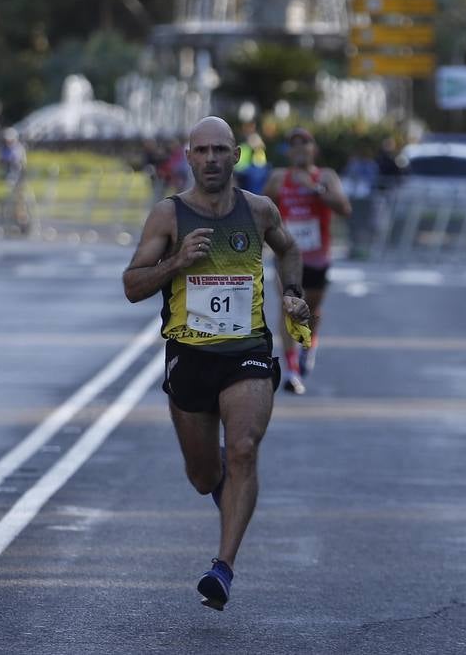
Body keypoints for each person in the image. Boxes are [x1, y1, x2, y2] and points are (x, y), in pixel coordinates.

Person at [122, 116, 310, 612]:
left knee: (244, 448)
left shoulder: (259, 211)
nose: (211, 159)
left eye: (220, 150)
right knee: (204, 476)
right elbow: (131, 285)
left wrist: (292, 294)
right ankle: (227, 488)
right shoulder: (169, 216)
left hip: (246, 351)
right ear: (188, 157)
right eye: (201, 151)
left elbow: (291, 251)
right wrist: (176, 263)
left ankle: (222, 567)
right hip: (189, 355)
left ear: (236, 156)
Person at [261, 127, 352, 394]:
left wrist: (315, 189)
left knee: (312, 311)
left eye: (305, 144)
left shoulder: (325, 176)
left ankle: (308, 347)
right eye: (294, 145)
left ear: (314, 150)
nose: (299, 149)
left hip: (318, 257)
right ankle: (291, 370)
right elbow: (262, 208)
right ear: (289, 151)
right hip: (288, 257)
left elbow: (344, 208)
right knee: (289, 308)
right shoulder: (279, 178)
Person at [343, 143, 380, 259]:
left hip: (365, 202)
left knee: (364, 226)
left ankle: (363, 251)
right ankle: (353, 250)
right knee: (353, 226)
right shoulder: (353, 164)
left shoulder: (370, 165)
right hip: (353, 201)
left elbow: (372, 181)